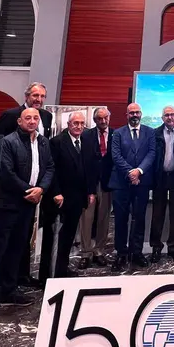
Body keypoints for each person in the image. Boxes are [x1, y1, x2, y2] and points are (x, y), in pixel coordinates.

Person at [0, 82, 53, 288]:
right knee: (3, 243)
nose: (39, 99)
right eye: (35, 95)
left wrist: (40, 189)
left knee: (22, 240)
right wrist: (26, 189)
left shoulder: (46, 119)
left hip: (33, 195)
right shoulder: (10, 118)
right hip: (11, 194)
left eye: (42, 96)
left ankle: (19, 279)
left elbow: (47, 162)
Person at [39, 111, 96, 282]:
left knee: (68, 236)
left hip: (78, 199)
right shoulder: (56, 142)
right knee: (54, 238)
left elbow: (90, 169)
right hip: (59, 198)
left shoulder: (86, 141)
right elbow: (51, 169)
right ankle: (48, 275)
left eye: (81, 123)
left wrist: (90, 191)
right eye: (75, 123)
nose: (79, 126)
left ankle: (62, 270)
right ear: (68, 124)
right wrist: (55, 192)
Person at [110, 103, 156, 271]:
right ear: (126, 115)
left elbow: (152, 153)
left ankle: (137, 252)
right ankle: (121, 253)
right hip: (121, 183)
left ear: (141, 114)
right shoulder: (117, 133)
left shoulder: (150, 132)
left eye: (137, 112)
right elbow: (116, 155)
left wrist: (139, 171)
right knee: (121, 220)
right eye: (131, 113)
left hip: (142, 183)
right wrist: (130, 172)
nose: (134, 115)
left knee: (140, 218)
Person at [150, 106, 174, 263]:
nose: (170, 117)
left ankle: (173, 247)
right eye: (166, 115)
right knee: (157, 214)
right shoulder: (155, 133)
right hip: (160, 177)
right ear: (162, 118)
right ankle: (156, 247)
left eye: (172, 115)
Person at [78, 107, 113, 268]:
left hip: (107, 183)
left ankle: (99, 251)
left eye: (105, 118)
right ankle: (85, 253)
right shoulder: (85, 135)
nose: (103, 121)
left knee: (103, 218)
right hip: (89, 184)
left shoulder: (115, 135)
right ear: (94, 120)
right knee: (87, 218)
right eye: (100, 118)